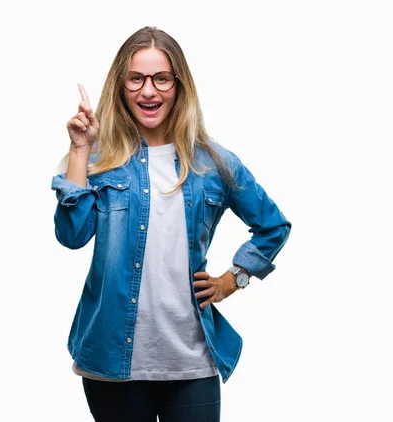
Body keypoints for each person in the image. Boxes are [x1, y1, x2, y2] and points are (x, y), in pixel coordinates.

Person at [51, 26, 291, 421]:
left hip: (190, 362)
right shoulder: (99, 161)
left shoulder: (213, 163)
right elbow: (71, 235)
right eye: (136, 78)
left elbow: (273, 225)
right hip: (111, 361)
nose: (149, 91)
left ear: (179, 86)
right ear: (121, 85)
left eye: (161, 78)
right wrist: (80, 150)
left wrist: (234, 279)